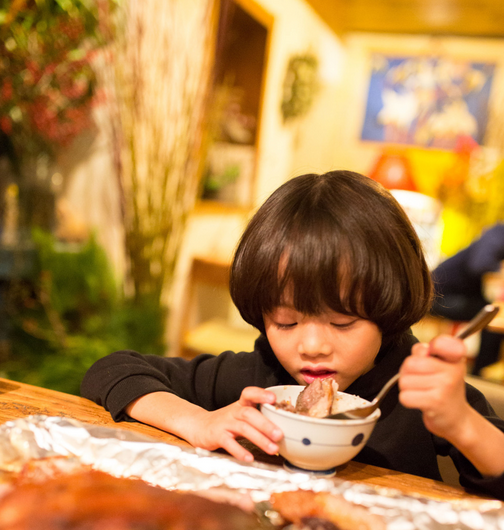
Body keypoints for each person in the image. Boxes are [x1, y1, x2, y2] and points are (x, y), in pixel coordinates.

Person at [81, 170, 504, 499]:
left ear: (388, 308)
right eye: (286, 322)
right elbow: (112, 370)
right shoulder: (259, 379)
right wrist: (197, 421)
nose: (313, 346)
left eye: (342, 323)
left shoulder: (422, 393)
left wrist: (463, 425)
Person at [431, 223, 504, 375]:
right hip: (438, 297)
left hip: (452, 295)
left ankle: (486, 367)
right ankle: (483, 370)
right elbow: (479, 264)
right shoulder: (498, 234)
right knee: (492, 315)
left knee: (493, 312)